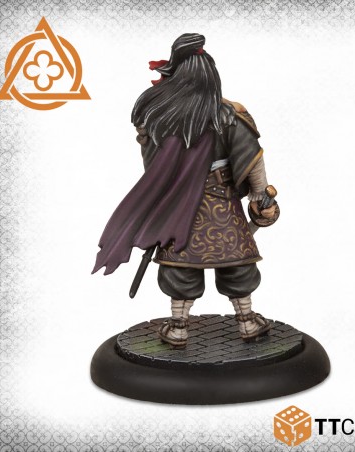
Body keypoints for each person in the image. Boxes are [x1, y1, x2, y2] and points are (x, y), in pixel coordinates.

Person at [93, 33, 279, 346]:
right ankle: (244, 321)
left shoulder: (168, 116)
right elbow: (252, 160)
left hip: (182, 204)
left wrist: (261, 197)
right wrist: (259, 194)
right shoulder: (224, 114)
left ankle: (181, 326)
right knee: (229, 264)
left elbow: (248, 157)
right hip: (215, 202)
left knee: (195, 266)